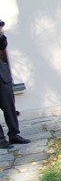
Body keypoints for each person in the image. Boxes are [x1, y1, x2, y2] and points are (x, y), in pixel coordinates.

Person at [0, 20, 30, 149]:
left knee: (10, 108)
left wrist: (0, 34)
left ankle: (14, 135)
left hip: (2, 76)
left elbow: (2, 46)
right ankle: (1, 140)